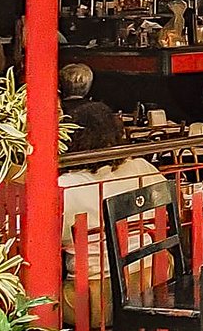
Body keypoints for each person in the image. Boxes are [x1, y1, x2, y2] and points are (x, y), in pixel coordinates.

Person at [57, 102, 166, 318]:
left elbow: (56, 238)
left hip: (95, 290)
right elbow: (170, 211)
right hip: (153, 275)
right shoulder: (141, 168)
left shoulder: (65, 186)